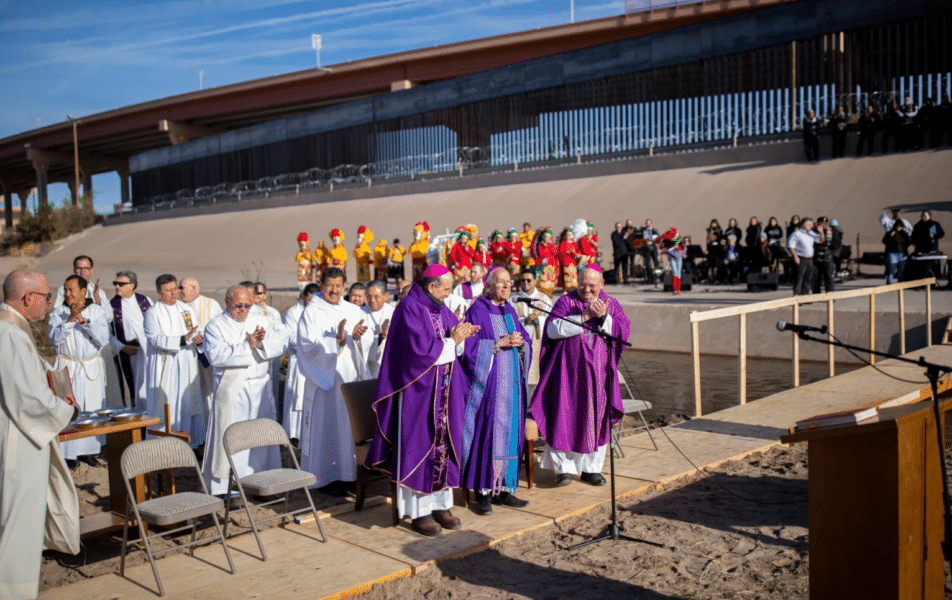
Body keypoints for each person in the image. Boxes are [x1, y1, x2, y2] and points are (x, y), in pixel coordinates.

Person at [364, 264, 479, 536]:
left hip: (443, 392)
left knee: (444, 446)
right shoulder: (409, 308)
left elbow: (452, 339)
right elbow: (418, 353)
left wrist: (462, 336)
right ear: (432, 286)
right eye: (446, 288)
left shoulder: (440, 306)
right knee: (420, 448)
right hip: (418, 394)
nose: (449, 293)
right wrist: (453, 341)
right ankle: (419, 512)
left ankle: (441, 506)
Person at [0, 270, 80, 600]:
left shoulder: (13, 329)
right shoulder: (9, 333)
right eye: (46, 297)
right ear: (28, 298)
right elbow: (26, 396)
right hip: (20, 441)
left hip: (23, 437)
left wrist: (56, 383)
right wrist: (66, 411)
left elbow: (33, 376)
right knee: (19, 525)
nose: (49, 303)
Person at [529, 265, 630, 487]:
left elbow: (622, 332)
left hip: (598, 377)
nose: (586, 289)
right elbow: (551, 330)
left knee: (596, 420)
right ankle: (563, 469)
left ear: (601, 284)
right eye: (582, 284)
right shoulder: (566, 302)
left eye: (591, 285)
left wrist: (604, 318)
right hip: (567, 375)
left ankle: (590, 469)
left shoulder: (611, 304)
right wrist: (583, 317)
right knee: (564, 417)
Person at [201, 285, 287, 496]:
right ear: (227, 302)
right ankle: (227, 487)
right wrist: (247, 345)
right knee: (233, 437)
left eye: (247, 306)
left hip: (259, 388)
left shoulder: (259, 320)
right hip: (233, 389)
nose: (243, 310)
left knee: (261, 437)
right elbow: (215, 356)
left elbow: (281, 342)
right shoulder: (216, 326)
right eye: (238, 305)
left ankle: (262, 482)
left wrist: (262, 344)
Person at [460, 268, 531, 515]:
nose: (506, 286)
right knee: (488, 435)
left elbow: (525, 339)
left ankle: (505, 489)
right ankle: (483, 494)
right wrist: (497, 343)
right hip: (489, 387)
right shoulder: (477, 310)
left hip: (512, 386)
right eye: (500, 282)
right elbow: (466, 346)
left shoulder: (510, 310)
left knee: (510, 436)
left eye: (509, 282)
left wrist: (522, 344)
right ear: (488, 286)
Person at [297, 267, 371, 496]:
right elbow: (307, 346)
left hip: (348, 378)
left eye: (339, 285)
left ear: (344, 286)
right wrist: (336, 341)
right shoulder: (311, 312)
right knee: (327, 427)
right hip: (324, 382)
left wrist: (357, 337)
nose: (334, 290)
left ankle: (349, 474)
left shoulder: (353, 310)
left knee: (348, 427)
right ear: (321, 285)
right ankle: (326, 478)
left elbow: (367, 339)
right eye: (330, 285)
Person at [49, 275, 110, 468]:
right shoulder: (58, 313)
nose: (67, 294)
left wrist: (82, 320)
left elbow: (103, 338)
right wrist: (70, 320)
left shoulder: (96, 311)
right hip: (68, 367)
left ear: (83, 291)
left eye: (71, 290)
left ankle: (88, 451)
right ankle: (69, 454)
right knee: (68, 409)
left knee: (91, 407)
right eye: (65, 290)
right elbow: (54, 339)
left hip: (89, 366)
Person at [144, 274, 206, 449]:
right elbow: (155, 339)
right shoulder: (152, 313)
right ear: (159, 293)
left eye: (174, 289)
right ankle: (161, 446)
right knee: (166, 404)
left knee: (187, 402)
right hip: (165, 365)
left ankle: (189, 444)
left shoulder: (186, 310)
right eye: (168, 290)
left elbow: (196, 330)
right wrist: (183, 339)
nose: (173, 294)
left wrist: (198, 339)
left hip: (186, 364)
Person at [109, 270, 152, 410]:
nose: (117, 286)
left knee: (146, 387)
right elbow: (107, 333)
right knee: (131, 388)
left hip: (145, 352)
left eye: (121, 284)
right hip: (126, 353)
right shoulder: (111, 306)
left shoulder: (145, 301)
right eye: (115, 283)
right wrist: (122, 347)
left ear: (132, 285)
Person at [282, 283, 319, 443]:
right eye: (309, 300)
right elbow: (291, 337)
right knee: (297, 398)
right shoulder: (293, 313)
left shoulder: (319, 311)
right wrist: (314, 345)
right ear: (303, 297)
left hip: (317, 361)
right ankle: (295, 434)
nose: (311, 303)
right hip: (299, 361)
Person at [181, 277, 223, 418]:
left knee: (209, 392)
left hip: (208, 357)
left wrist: (204, 339)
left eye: (182, 288)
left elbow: (220, 328)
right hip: (189, 356)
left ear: (195, 288)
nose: (180, 292)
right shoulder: (181, 308)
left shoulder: (211, 304)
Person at [512, 268, 552, 386]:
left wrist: (538, 320)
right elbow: (508, 321)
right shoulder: (514, 299)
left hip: (538, 343)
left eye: (529, 280)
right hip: (519, 344)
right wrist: (525, 320)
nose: (525, 283)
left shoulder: (544, 299)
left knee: (537, 381)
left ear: (535, 281)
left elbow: (552, 321)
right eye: (523, 280)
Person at [363, 280, 395, 378]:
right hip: (366, 364)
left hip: (388, 363)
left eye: (376, 296)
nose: (372, 300)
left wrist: (386, 336)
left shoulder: (394, 313)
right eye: (369, 296)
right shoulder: (359, 313)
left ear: (386, 296)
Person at [787, 218, 817, 296]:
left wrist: (821, 232)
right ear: (804, 225)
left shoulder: (811, 234)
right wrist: (795, 256)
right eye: (809, 224)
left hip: (809, 259)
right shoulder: (797, 234)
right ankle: (797, 296)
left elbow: (821, 240)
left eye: (812, 224)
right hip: (801, 258)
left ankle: (805, 296)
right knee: (799, 278)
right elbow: (790, 246)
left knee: (808, 278)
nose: (811, 226)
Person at [532, 227, 559, 296]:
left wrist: (548, 246)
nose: (547, 239)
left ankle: (549, 292)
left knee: (550, 278)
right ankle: (544, 292)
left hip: (551, 263)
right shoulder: (540, 245)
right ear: (543, 237)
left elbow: (555, 253)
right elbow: (541, 254)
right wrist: (545, 247)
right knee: (544, 278)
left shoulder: (552, 245)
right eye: (545, 237)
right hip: (544, 264)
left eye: (548, 237)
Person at [883, 220, 911, 284]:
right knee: (891, 269)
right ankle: (889, 282)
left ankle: (900, 284)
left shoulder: (904, 234)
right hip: (892, 254)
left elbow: (909, 241)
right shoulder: (890, 232)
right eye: (897, 226)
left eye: (900, 226)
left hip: (902, 254)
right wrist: (890, 235)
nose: (898, 227)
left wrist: (905, 232)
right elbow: (885, 241)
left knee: (901, 271)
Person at [812, 218, 835, 293]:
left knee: (828, 277)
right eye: (821, 223)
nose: (822, 225)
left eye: (824, 223)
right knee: (816, 278)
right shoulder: (813, 231)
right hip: (816, 259)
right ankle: (816, 295)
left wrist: (821, 232)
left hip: (827, 258)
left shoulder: (829, 231)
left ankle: (829, 294)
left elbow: (827, 243)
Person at [558, 227, 581, 292]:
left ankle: (573, 287)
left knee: (573, 275)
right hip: (566, 262)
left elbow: (578, 251)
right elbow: (560, 252)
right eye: (567, 235)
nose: (568, 236)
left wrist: (578, 254)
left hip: (573, 262)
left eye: (570, 235)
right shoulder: (563, 243)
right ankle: (567, 288)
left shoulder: (574, 243)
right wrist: (567, 252)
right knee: (567, 275)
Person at [640, 219, 660, 284]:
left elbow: (657, 237)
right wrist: (642, 227)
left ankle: (657, 277)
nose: (648, 224)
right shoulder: (644, 230)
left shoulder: (654, 230)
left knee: (656, 262)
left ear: (651, 223)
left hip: (653, 246)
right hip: (646, 247)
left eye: (649, 223)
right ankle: (649, 277)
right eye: (647, 223)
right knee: (647, 263)